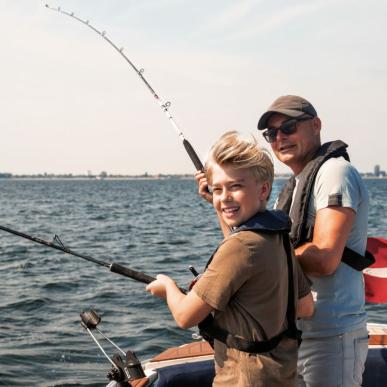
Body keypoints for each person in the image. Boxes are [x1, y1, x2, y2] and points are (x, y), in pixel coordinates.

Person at [147, 131, 313, 387]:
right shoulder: (276, 237)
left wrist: (167, 287)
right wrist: (218, 208)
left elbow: (184, 316)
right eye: (217, 189)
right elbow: (305, 306)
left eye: (235, 186)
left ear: (264, 189)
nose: (224, 197)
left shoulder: (241, 247)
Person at [256, 95, 370, 387]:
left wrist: (259, 260)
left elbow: (324, 258)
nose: (280, 137)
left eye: (289, 127)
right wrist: (219, 203)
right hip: (297, 334)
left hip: (331, 334)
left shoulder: (335, 173)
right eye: (271, 134)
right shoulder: (295, 185)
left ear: (316, 125)